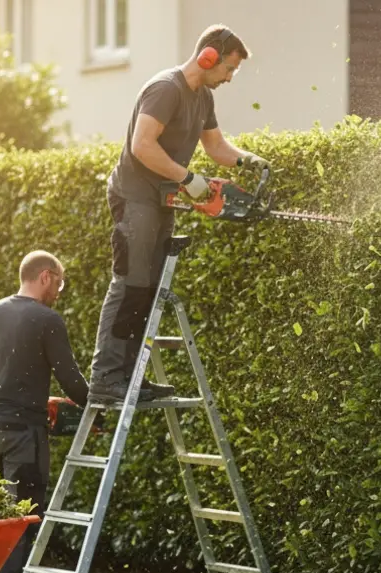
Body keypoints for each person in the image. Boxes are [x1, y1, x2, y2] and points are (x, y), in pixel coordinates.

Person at [88, 23, 270, 402]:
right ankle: (106, 377)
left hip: (162, 199)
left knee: (150, 289)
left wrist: (248, 162)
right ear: (209, 57)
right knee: (130, 283)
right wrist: (188, 177)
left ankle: (131, 377)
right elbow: (142, 145)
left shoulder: (203, 97)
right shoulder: (165, 89)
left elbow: (216, 146)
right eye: (229, 69)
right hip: (134, 196)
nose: (230, 77)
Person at [0, 249, 90, 573]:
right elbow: (71, 380)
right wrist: (98, 406)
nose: (59, 292)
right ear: (46, 276)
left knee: (0, 513)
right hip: (22, 432)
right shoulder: (46, 319)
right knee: (24, 513)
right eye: (59, 284)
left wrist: (16, 389)